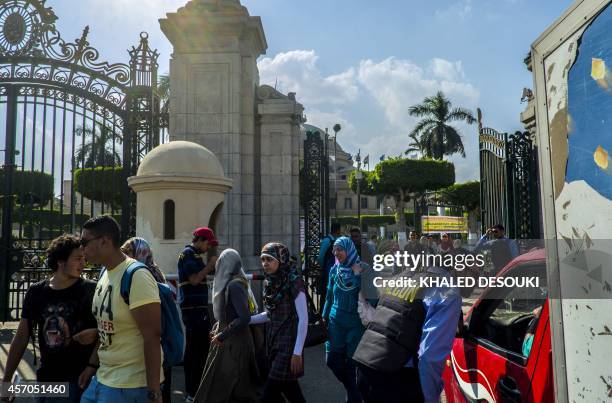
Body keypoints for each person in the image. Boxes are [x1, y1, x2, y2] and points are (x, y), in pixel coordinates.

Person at [353, 251, 477, 403]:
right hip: (395, 377)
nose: (476, 281)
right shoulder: (447, 291)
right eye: (474, 274)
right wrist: (430, 398)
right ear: (459, 268)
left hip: (364, 364)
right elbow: (430, 356)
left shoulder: (404, 276)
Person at [2, 235, 98, 403]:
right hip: (45, 377)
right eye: (78, 259)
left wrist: (91, 366)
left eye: (84, 258)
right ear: (61, 261)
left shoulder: (90, 290)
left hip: (77, 379)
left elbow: (107, 332)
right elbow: (21, 336)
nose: (83, 264)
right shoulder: (36, 291)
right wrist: (7, 380)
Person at [79, 215, 163, 403]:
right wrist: (92, 365)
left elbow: (152, 336)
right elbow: (107, 328)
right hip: (102, 378)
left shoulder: (137, 276)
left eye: (84, 242)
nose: (81, 248)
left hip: (130, 386)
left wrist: (154, 392)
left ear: (104, 241)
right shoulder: (105, 273)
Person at [195, 249, 259, 403]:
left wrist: (222, 335)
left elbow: (244, 318)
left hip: (234, 343)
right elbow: (229, 312)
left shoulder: (235, 286)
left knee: (229, 388)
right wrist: (218, 328)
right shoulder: (234, 283)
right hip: (229, 339)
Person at [250, 242, 308, 403]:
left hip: (289, 346)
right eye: (263, 259)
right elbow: (269, 315)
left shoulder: (294, 281)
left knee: (268, 393)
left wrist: (297, 353)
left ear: (281, 260)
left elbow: (304, 318)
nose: (265, 264)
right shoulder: (270, 282)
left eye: (269, 259)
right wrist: (247, 320)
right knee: (290, 391)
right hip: (273, 343)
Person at [120, 237, 172, 403]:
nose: (124, 256)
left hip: (153, 340)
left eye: (128, 252)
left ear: (139, 253)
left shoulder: (143, 274)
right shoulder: (154, 271)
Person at [322, 236, 368, 403]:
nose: (336, 253)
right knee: (332, 360)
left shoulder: (363, 268)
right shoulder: (335, 270)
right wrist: (323, 317)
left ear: (348, 249)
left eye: (340, 249)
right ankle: (354, 390)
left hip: (355, 324)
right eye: (335, 249)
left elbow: (371, 294)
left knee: (351, 365)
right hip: (335, 322)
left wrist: (357, 275)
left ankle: (354, 397)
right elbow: (328, 296)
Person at [177, 227, 218, 402]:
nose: (209, 247)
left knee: (200, 350)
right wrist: (210, 265)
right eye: (208, 243)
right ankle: (192, 392)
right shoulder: (188, 254)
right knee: (196, 351)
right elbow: (194, 280)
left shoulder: (194, 256)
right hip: (194, 311)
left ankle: (196, 390)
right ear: (200, 239)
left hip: (197, 309)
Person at [318, 223, 342, 301]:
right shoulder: (327, 240)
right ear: (338, 230)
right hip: (328, 271)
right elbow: (321, 257)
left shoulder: (334, 240)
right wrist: (323, 267)